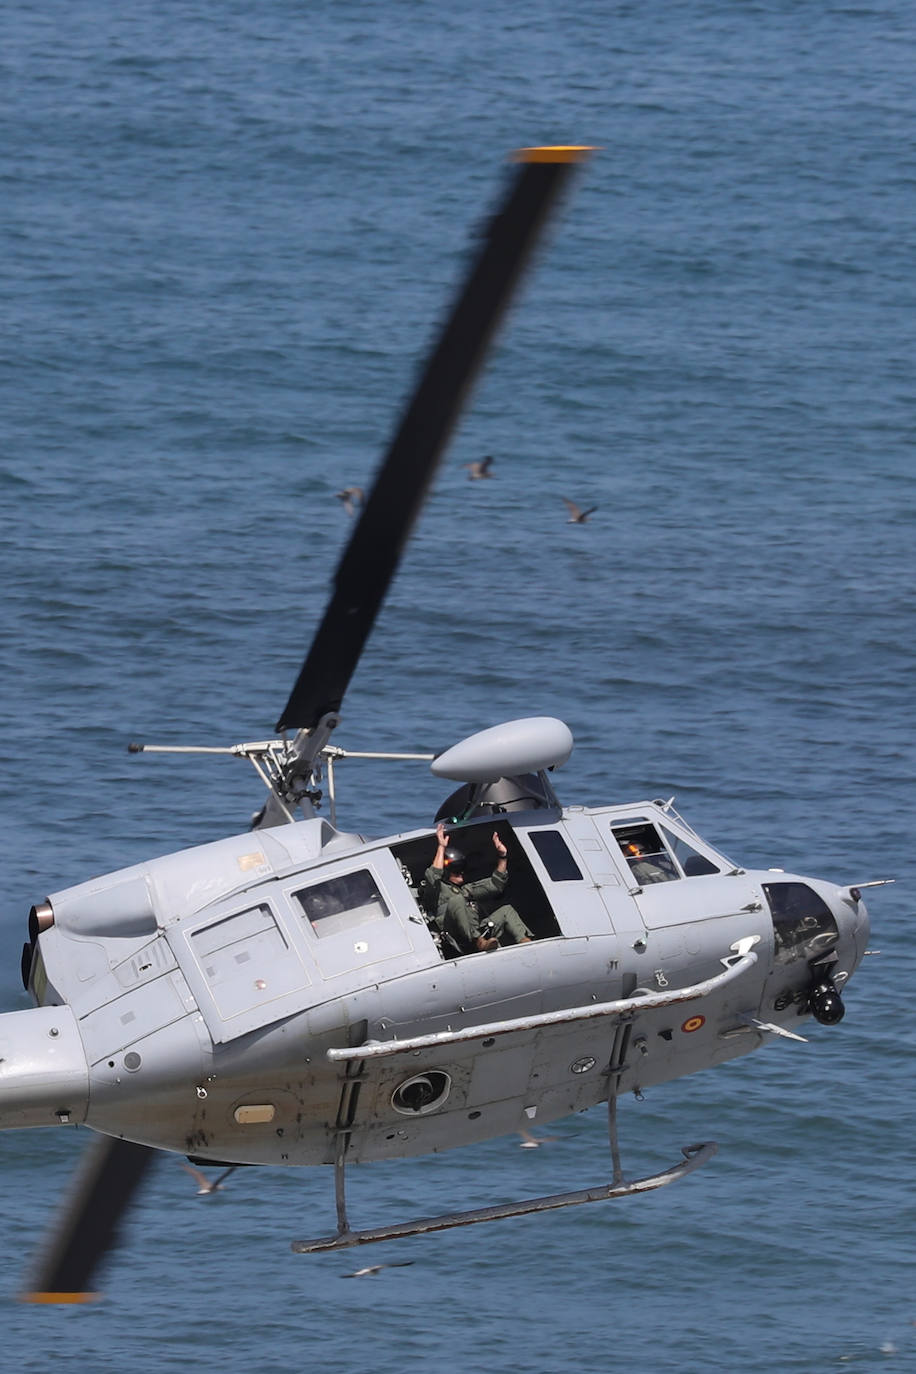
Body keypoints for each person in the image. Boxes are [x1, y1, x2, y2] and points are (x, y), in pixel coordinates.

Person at [424, 821, 532, 954]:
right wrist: (441, 847)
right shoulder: (435, 890)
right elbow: (433, 874)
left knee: (506, 911)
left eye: (462, 870)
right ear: (446, 872)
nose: (461, 874)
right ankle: (478, 941)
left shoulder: (465, 890)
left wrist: (502, 856)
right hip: (455, 935)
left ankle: (527, 944)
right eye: (456, 870)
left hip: (476, 930)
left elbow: (495, 884)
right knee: (457, 900)